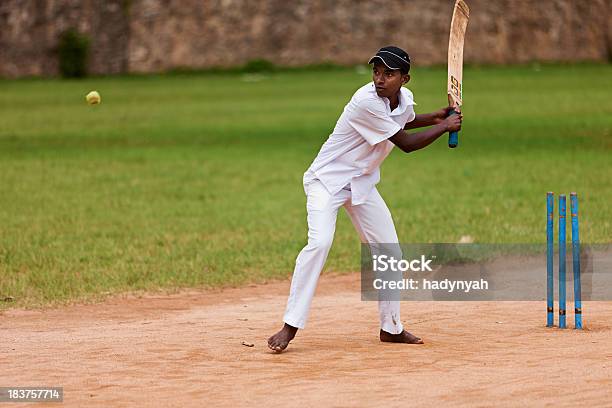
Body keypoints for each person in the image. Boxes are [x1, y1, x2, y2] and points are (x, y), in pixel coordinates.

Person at [268, 46, 463, 352]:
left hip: (361, 184)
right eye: (376, 71)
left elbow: (402, 120)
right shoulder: (365, 101)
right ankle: (289, 326)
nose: (380, 79)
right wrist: (444, 127)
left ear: (405, 79)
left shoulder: (403, 100)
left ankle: (391, 328)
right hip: (327, 182)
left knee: (390, 252)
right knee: (319, 243)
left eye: (389, 74)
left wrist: (434, 117)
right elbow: (406, 144)